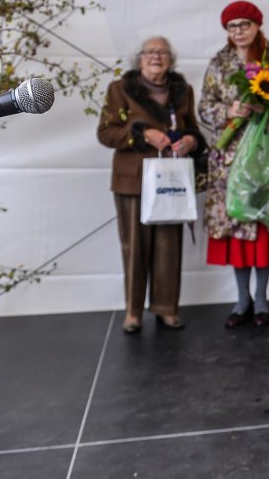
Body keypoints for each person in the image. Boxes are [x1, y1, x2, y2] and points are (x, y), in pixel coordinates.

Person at [199, 0, 269, 329]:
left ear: (257, 25)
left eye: (244, 24)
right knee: (238, 229)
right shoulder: (219, 62)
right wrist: (228, 112)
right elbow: (204, 106)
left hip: (267, 157)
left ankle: (261, 298)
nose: (238, 31)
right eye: (232, 26)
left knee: (263, 226)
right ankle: (241, 298)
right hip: (231, 161)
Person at [97, 36, 203, 334]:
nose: (156, 56)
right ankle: (133, 312)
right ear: (139, 58)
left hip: (171, 179)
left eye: (163, 52)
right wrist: (143, 133)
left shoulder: (183, 91)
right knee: (134, 247)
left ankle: (167, 308)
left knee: (169, 246)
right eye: (150, 52)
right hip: (132, 181)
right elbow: (106, 133)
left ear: (171, 59)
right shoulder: (120, 89)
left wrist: (191, 140)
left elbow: (192, 127)